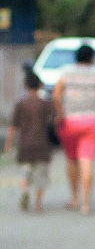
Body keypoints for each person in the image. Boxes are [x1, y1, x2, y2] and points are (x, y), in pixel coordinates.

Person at [52, 43, 95, 214]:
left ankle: (74, 198)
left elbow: (56, 96)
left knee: (71, 159)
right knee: (86, 160)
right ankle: (86, 203)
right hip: (92, 122)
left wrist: (59, 114)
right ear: (92, 58)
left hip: (69, 121)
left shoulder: (66, 73)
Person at [4, 70, 54, 212]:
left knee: (24, 172)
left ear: (25, 85)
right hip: (42, 145)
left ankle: (25, 189)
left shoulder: (21, 104)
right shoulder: (45, 104)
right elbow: (55, 120)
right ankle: (38, 204)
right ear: (40, 86)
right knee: (41, 176)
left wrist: (8, 143)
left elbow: (13, 126)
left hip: (25, 145)